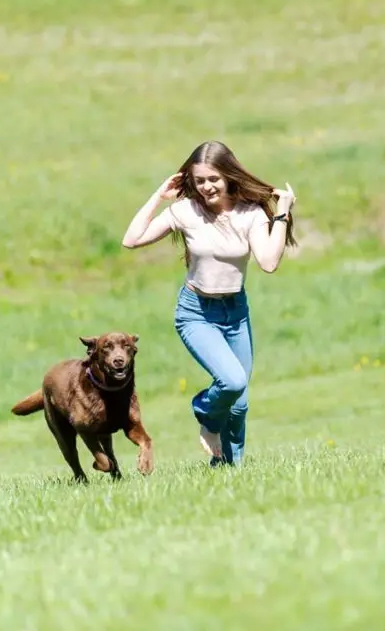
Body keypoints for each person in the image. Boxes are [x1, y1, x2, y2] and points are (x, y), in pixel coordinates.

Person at [120, 140, 297, 467]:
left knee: (239, 404)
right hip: (196, 313)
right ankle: (205, 412)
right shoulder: (186, 211)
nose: (206, 187)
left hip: (236, 313)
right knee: (232, 382)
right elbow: (131, 240)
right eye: (199, 180)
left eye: (213, 179)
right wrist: (158, 196)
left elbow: (269, 262)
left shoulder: (249, 214)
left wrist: (282, 213)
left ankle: (229, 468)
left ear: (229, 175)